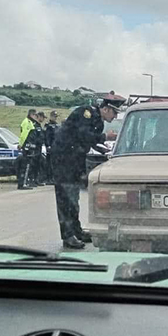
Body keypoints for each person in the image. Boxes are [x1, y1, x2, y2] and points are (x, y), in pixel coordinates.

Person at [51, 93, 124, 249]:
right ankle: (67, 236)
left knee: (73, 198)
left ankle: (76, 230)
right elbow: (83, 135)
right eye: (114, 112)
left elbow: (90, 141)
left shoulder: (98, 121)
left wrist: (106, 150)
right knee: (65, 198)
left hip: (75, 160)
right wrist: (105, 137)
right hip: (63, 160)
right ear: (106, 109)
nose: (115, 116)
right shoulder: (86, 113)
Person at [16, 109, 38, 190]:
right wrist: (21, 144)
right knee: (25, 166)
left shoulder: (30, 122)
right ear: (31, 114)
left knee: (27, 166)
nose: (36, 117)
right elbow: (24, 135)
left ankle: (24, 183)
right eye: (35, 115)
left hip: (29, 147)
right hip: (26, 147)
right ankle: (22, 184)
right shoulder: (27, 122)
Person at [44, 110, 59, 185]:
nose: (55, 118)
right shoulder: (48, 125)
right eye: (54, 116)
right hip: (51, 146)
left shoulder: (56, 125)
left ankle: (53, 178)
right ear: (51, 116)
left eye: (56, 117)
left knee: (55, 163)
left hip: (56, 147)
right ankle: (48, 178)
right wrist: (48, 145)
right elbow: (47, 136)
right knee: (49, 164)